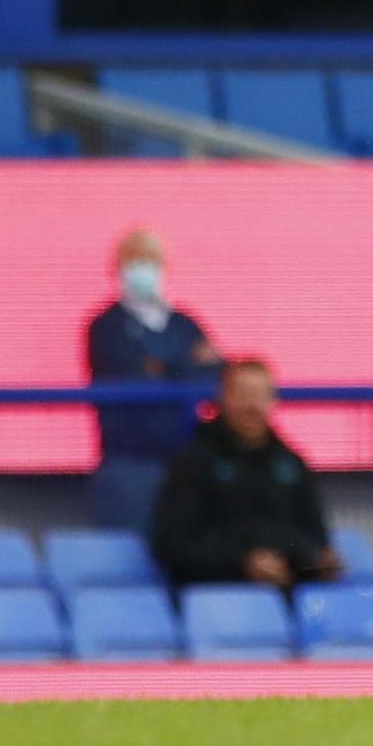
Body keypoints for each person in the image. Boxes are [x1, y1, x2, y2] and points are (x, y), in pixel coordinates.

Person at [149, 359, 342, 590]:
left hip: (290, 595)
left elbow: (315, 536)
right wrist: (241, 564)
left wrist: (315, 560)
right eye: (244, 394)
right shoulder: (192, 462)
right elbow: (173, 545)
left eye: (261, 396)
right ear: (224, 398)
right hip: (216, 598)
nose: (253, 406)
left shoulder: (292, 463)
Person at [86, 228, 223, 533]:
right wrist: (186, 364)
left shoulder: (185, 323)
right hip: (129, 463)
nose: (143, 267)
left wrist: (165, 367)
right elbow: (131, 372)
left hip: (185, 460)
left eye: (150, 259)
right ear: (117, 267)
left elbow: (216, 373)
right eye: (134, 260)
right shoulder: (105, 327)